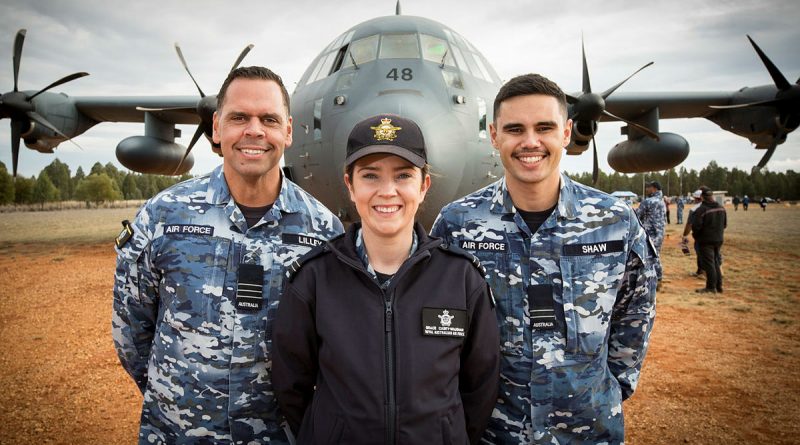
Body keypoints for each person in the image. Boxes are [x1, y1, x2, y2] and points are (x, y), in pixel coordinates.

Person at [112, 66, 344, 444]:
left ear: (287, 131)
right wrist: (177, 400)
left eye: (268, 119)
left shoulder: (324, 232)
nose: (254, 130)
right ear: (217, 128)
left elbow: (331, 343)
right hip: (178, 433)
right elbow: (131, 332)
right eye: (239, 117)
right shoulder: (163, 216)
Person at [431, 74, 658, 444]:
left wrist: (607, 388)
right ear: (493, 135)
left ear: (567, 132)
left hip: (586, 432)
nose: (530, 142)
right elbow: (438, 325)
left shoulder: (614, 222)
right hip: (490, 433)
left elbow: (636, 313)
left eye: (545, 128)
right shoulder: (457, 225)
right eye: (515, 129)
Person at [272, 114, 500, 444]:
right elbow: (291, 385)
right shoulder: (314, 278)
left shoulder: (461, 278)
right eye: (370, 176)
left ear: (423, 186)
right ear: (350, 185)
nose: (387, 191)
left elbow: (480, 386)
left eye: (403, 175)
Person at [692, 187, 727, 293]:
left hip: (705, 240)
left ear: (702, 197)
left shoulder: (701, 209)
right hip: (718, 239)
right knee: (716, 261)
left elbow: (696, 227)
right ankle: (719, 286)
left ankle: (711, 287)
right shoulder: (721, 208)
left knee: (709, 264)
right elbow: (725, 224)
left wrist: (697, 236)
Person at [637, 180, 667, 285]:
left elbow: (637, 215)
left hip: (650, 233)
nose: (646, 189)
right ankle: (658, 278)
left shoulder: (648, 201)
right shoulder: (662, 201)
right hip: (660, 233)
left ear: (654, 188)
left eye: (648, 187)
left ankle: (655, 280)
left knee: (649, 256)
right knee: (655, 255)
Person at [682, 190, 705, 277]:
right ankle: (700, 271)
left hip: (700, 235)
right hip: (714, 235)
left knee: (701, 253)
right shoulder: (713, 206)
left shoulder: (694, 209)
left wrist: (684, 235)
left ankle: (703, 272)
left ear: (696, 198)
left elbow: (689, 224)